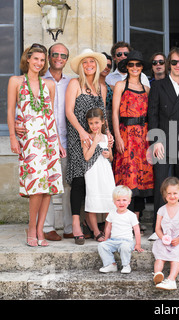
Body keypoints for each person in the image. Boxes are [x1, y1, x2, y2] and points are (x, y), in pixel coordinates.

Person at [7, 43, 65, 247]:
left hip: (48, 138)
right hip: (30, 140)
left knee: (48, 186)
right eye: (36, 59)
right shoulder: (15, 81)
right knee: (36, 185)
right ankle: (31, 227)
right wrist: (13, 136)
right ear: (28, 59)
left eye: (42, 60)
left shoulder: (49, 85)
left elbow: (52, 117)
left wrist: (57, 142)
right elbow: (10, 111)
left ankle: (41, 229)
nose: (39, 63)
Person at [148, 47, 179, 239]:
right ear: (169, 64)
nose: (177, 66)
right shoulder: (158, 86)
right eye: (174, 62)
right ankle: (158, 229)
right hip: (163, 141)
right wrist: (156, 140)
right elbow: (152, 115)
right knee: (162, 185)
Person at [65, 48, 109, 245]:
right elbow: (69, 111)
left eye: (92, 62)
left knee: (94, 181)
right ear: (81, 66)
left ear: (97, 65)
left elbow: (104, 116)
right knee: (79, 180)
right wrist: (82, 133)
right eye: (85, 62)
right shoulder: (75, 83)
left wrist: (107, 135)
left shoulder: (101, 86)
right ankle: (76, 223)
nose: (89, 65)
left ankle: (92, 224)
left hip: (96, 138)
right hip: (78, 137)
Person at [112, 50, 154, 230]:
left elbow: (151, 116)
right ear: (126, 67)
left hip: (143, 136)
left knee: (141, 179)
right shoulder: (120, 85)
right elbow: (114, 113)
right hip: (126, 134)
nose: (134, 68)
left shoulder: (147, 90)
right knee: (127, 178)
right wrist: (118, 137)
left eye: (138, 65)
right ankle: (123, 221)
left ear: (142, 67)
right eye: (131, 65)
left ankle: (135, 221)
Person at [40, 43, 73, 241]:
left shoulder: (72, 82)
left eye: (63, 55)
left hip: (69, 141)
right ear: (49, 57)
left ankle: (69, 227)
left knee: (69, 185)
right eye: (55, 54)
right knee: (48, 185)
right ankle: (47, 227)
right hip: (45, 141)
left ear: (67, 59)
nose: (59, 58)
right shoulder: (40, 80)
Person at [152, 177, 179, 290]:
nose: (172, 196)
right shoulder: (161, 210)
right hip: (165, 240)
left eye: (175, 193)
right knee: (160, 257)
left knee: (175, 258)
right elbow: (158, 229)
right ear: (164, 195)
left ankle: (171, 280)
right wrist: (162, 237)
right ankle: (157, 274)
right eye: (169, 193)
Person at [83, 108, 115, 242]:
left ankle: (107, 231)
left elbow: (111, 157)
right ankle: (96, 231)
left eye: (96, 123)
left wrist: (109, 155)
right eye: (91, 123)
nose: (94, 126)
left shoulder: (107, 137)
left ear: (102, 122)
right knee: (93, 201)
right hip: (93, 172)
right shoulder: (87, 137)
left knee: (109, 201)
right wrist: (94, 142)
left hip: (105, 171)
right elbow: (86, 157)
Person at [98, 185, 144, 274]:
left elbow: (137, 230)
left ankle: (126, 265)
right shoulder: (112, 213)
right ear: (114, 202)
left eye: (124, 200)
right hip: (113, 240)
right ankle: (111, 264)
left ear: (129, 201)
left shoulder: (131, 215)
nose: (121, 203)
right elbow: (108, 227)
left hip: (126, 241)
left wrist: (138, 244)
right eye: (118, 200)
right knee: (102, 246)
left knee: (124, 247)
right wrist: (106, 239)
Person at [100, 52, 114, 136]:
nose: (106, 67)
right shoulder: (91, 86)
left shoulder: (110, 87)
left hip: (110, 124)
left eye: (109, 66)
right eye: (104, 64)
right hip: (97, 125)